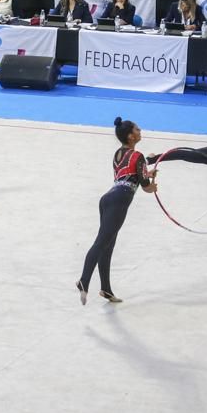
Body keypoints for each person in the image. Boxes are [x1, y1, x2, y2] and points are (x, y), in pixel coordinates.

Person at [75, 117, 157, 305]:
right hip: (119, 200)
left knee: (107, 245)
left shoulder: (118, 154)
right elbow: (145, 186)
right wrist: (151, 185)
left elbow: (129, 175)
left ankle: (106, 289)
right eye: (137, 129)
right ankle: (84, 280)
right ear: (130, 136)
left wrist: (147, 173)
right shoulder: (138, 156)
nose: (140, 130)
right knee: (101, 243)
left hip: (108, 198)